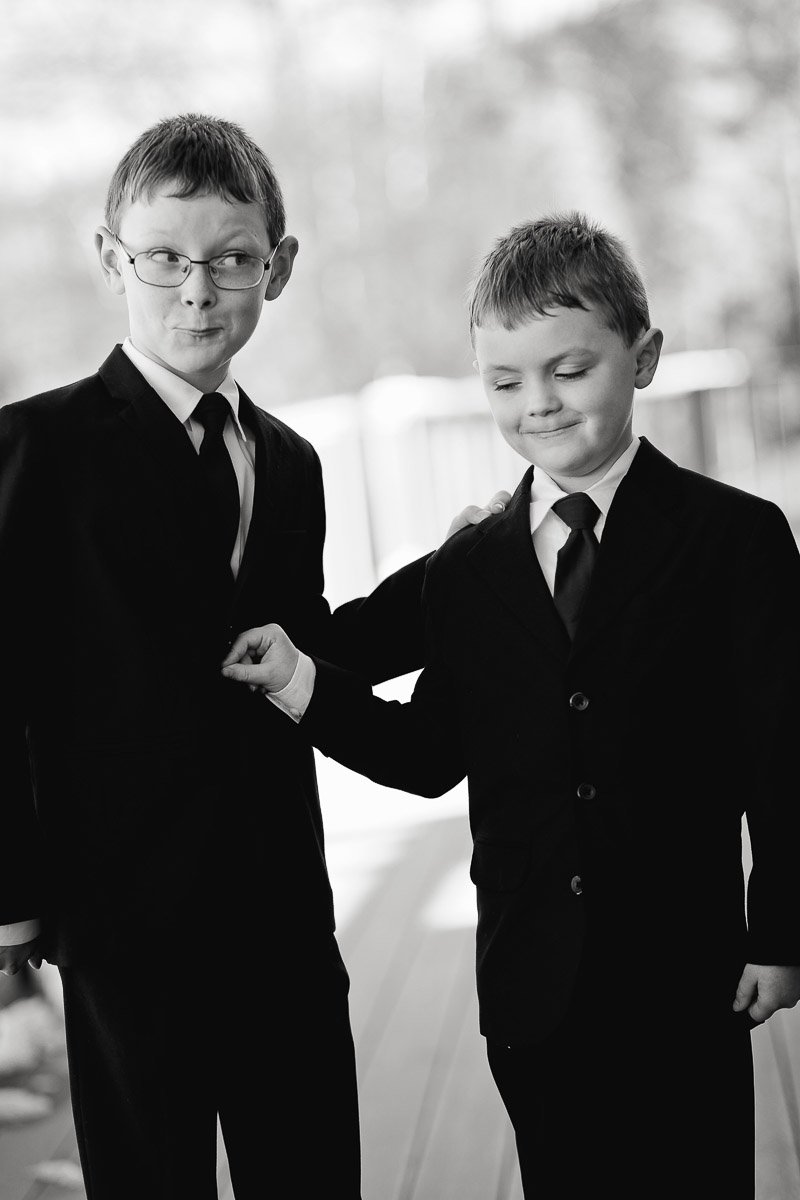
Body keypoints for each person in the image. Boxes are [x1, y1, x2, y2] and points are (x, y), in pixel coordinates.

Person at [221, 211, 800, 1200]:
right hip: (532, 994)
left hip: (683, 975)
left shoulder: (733, 540)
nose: (538, 402)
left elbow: (780, 752)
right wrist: (297, 684)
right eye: (504, 381)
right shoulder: (469, 567)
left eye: (568, 370)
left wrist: (782, 932)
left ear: (642, 357)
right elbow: (423, 748)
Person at [0, 112, 508, 1200]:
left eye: (232, 259)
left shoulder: (290, 462)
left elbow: (296, 655)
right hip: (125, 926)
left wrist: (453, 574)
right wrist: (13, 898)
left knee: (312, 1172)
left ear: (275, 269)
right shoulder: (33, 452)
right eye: (166, 260)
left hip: (279, 911)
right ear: (110, 261)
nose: (198, 290)